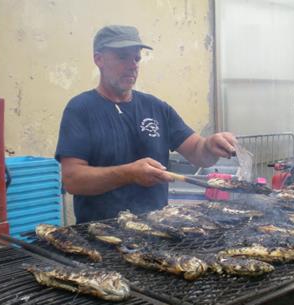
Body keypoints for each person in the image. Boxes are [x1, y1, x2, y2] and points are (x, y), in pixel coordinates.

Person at [55, 25, 237, 223]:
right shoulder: (80, 109)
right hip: (100, 237)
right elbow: (72, 180)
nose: (132, 65)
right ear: (98, 60)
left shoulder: (156, 107)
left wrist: (210, 145)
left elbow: (198, 153)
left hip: (156, 233)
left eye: (136, 58)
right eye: (122, 57)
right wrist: (128, 173)